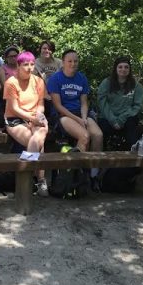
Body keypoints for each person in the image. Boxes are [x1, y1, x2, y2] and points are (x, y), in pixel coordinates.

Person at [47, 49, 103, 190]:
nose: (73, 64)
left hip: (81, 113)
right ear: (63, 62)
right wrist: (78, 119)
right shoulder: (55, 79)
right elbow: (58, 106)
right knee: (84, 136)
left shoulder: (81, 78)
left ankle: (93, 175)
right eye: (69, 61)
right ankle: (76, 176)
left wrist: (83, 117)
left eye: (75, 61)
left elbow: (84, 102)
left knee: (98, 135)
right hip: (64, 115)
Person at [4, 51, 49, 194]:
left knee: (38, 137)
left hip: (36, 115)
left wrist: (39, 115)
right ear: (18, 65)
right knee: (36, 142)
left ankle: (28, 179)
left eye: (32, 64)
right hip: (15, 118)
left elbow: (41, 103)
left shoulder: (38, 81)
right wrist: (31, 119)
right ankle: (39, 180)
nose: (29, 68)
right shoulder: (11, 82)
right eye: (25, 65)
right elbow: (15, 108)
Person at [97, 56, 143, 151]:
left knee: (132, 129)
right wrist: (113, 120)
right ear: (115, 68)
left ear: (130, 69)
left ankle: (131, 162)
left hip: (127, 118)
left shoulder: (136, 86)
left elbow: (137, 106)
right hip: (108, 117)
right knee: (103, 131)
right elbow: (102, 102)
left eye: (126, 67)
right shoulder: (106, 83)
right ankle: (102, 162)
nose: (123, 69)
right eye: (120, 67)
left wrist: (121, 119)